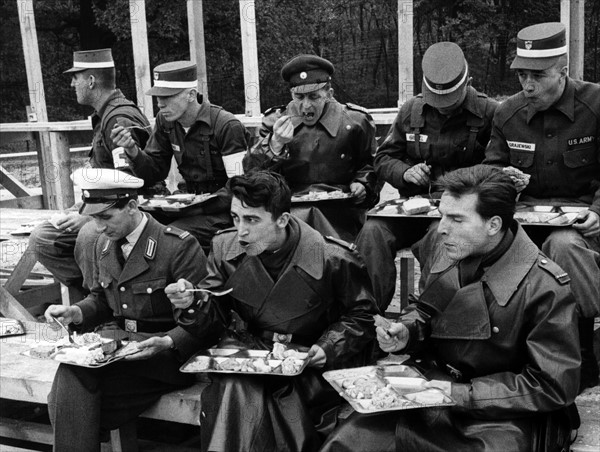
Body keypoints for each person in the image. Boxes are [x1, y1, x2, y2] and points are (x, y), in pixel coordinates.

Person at [321, 165, 581, 452]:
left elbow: (552, 385)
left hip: (504, 412)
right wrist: (407, 332)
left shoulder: (545, 285)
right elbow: (428, 309)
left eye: (456, 219)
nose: (441, 227)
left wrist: (458, 394)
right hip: (427, 387)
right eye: (442, 214)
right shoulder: (446, 245)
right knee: (347, 443)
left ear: (493, 225)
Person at [165, 170, 378, 452]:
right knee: (239, 387)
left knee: (244, 393)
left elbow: (363, 316)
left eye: (252, 219)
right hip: (253, 354)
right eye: (235, 218)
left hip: (309, 363)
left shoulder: (332, 257)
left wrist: (327, 347)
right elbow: (213, 317)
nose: (241, 230)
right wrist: (191, 303)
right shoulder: (223, 247)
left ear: (283, 220)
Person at [43, 168, 217, 451]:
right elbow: (101, 300)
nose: (98, 227)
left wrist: (168, 342)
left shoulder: (177, 246)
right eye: (94, 218)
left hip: (163, 356)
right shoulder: (104, 243)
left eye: (106, 217)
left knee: (67, 399)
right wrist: (75, 312)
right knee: (71, 382)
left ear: (133, 206)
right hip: (119, 350)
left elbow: (206, 322)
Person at [484, 22, 600, 391]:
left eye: (538, 76)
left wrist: (599, 212)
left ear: (564, 71)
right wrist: (505, 182)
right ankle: (501, 349)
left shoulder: (595, 106)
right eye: (522, 75)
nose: (528, 86)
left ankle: (579, 352)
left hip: (583, 223)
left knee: (562, 247)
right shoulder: (507, 114)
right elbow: (491, 174)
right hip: (526, 220)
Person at [355, 41, 498, 311]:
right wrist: (405, 172)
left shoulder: (489, 113)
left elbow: (497, 167)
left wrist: (461, 184)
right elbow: (384, 158)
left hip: (460, 213)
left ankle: (429, 321)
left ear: (468, 82)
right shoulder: (412, 111)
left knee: (439, 236)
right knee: (373, 232)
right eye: (437, 101)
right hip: (413, 210)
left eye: (450, 101)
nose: (443, 108)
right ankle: (364, 318)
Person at [28, 48, 154, 300]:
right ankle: (97, 295)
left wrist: (88, 217)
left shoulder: (118, 118)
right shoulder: (105, 115)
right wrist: (80, 208)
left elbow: (131, 186)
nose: (72, 83)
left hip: (128, 209)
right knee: (43, 238)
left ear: (92, 81)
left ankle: (103, 301)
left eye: (76, 77)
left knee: (81, 237)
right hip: (103, 205)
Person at [111, 60, 251, 252]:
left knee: (170, 236)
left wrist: (197, 206)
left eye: (167, 97)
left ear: (191, 95)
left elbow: (239, 187)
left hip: (223, 212)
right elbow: (154, 172)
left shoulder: (226, 126)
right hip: (186, 205)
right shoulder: (166, 121)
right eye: (158, 97)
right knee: (129, 223)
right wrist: (133, 151)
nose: (160, 104)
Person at [244, 54, 379, 242]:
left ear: (329, 94)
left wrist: (363, 185)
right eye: (299, 97)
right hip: (288, 210)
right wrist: (275, 143)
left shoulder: (355, 122)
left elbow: (371, 166)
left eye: (314, 97)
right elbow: (251, 174)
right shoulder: (275, 121)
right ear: (291, 94)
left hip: (340, 212)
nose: (305, 105)